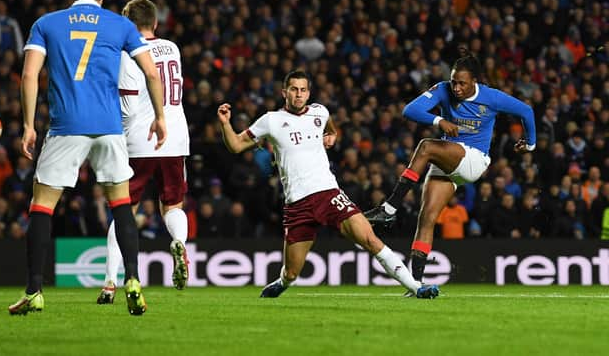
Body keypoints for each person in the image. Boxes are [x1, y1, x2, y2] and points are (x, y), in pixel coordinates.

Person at [8, 0, 167, 316]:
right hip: (109, 127)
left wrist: (29, 124)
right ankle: (133, 279)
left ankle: (34, 291)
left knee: (42, 205)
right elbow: (152, 74)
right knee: (122, 205)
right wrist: (158, 117)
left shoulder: (46, 24)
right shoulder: (121, 25)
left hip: (66, 126)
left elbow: (29, 75)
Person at [217, 69, 439, 299]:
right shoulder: (271, 121)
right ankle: (283, 281)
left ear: (309, 92)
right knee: (292, 272)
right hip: (297, 204)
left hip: (329, 193)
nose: (298, 94)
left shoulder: (319, 112)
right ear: (284, 92)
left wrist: (332, 136)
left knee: (370, 239)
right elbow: (235, 145)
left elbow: (331, 129)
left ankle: (416, 287)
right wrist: (225, 124)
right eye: (294, 89)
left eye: (303, 90)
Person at [365, 51, 536, 286]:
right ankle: (415, 283)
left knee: (425, 147)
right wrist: (439, 121)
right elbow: (409, 111)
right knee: (426, 218)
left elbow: (526, 111)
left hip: (474, 160)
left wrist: (531, 143)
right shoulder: (443, 88)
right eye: (454, 81)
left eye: (462, 83)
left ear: (474, 81)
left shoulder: (492, 97)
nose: (456, 88)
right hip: (448, 158)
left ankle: (389, 208)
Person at [97, 0, 190, 304]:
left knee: (124, 210)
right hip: (175, 137)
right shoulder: (172, 48)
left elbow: (126, 107)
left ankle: (109, 281)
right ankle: (178, 241)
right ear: (156, 22)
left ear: (127, 22)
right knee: (173, 205)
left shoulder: (128, 56)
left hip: (139, 139)